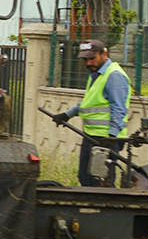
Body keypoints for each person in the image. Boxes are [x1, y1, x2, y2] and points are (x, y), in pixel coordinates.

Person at [53, 39, 129, 187]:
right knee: (85, 179)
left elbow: (119, 109)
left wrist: (111, 138)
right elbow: (90, 103)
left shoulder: (114, 75)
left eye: (92, 58)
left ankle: (106, 209)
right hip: (91, 137)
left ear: (104, 54)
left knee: (100, 183)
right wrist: (67, 115)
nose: (88, 63)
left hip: (106, 139)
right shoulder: (96, 74)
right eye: (85, 59)